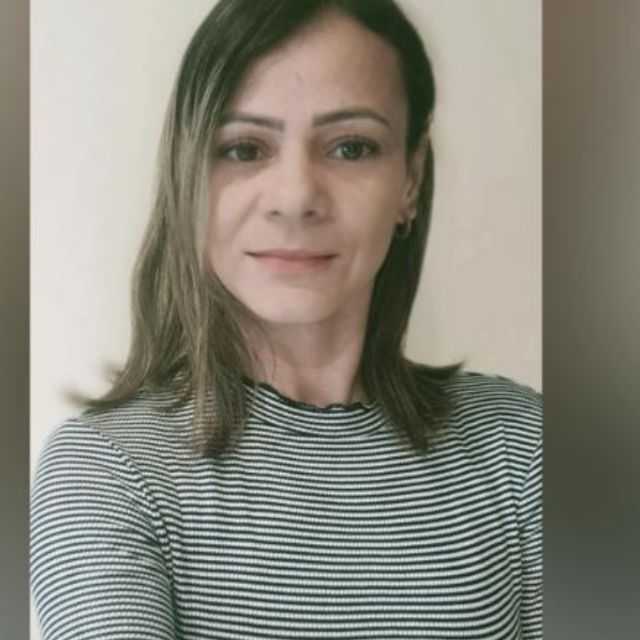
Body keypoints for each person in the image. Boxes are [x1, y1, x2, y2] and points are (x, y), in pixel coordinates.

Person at [31, 1, 542, 638]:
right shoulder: (107, 472)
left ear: (409, 180)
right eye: (244, 148)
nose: (296, 197)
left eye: (351, 147)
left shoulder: (522, 447)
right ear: (188, 175)